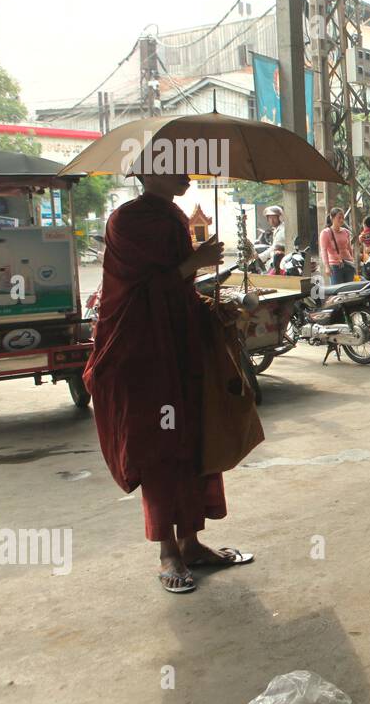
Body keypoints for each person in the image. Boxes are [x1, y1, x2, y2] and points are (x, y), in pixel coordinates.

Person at [83, 169, 254, 594]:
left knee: (195, 440)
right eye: (173, 167)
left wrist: (211, 305)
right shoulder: (126, 221)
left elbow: (177, 290)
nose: (185, 175)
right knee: (160, 446)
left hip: (181, 347)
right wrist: (192, 264)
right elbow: (137, 292)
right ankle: (167, 551)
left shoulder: (176, 217)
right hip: (142, 353)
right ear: (144, 172)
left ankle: (191, 543)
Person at [319, 207, 353, 285]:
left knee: (349, 290)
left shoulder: (346, 232)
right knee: (337, 291)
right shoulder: (326, 233)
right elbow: (323, 251)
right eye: (339, 218)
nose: (341, 220)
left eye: (343, 218)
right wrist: (327, 267)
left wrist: (352, 259)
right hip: (335, 266)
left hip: (349, 264)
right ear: (332, 218)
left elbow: (349, 248)